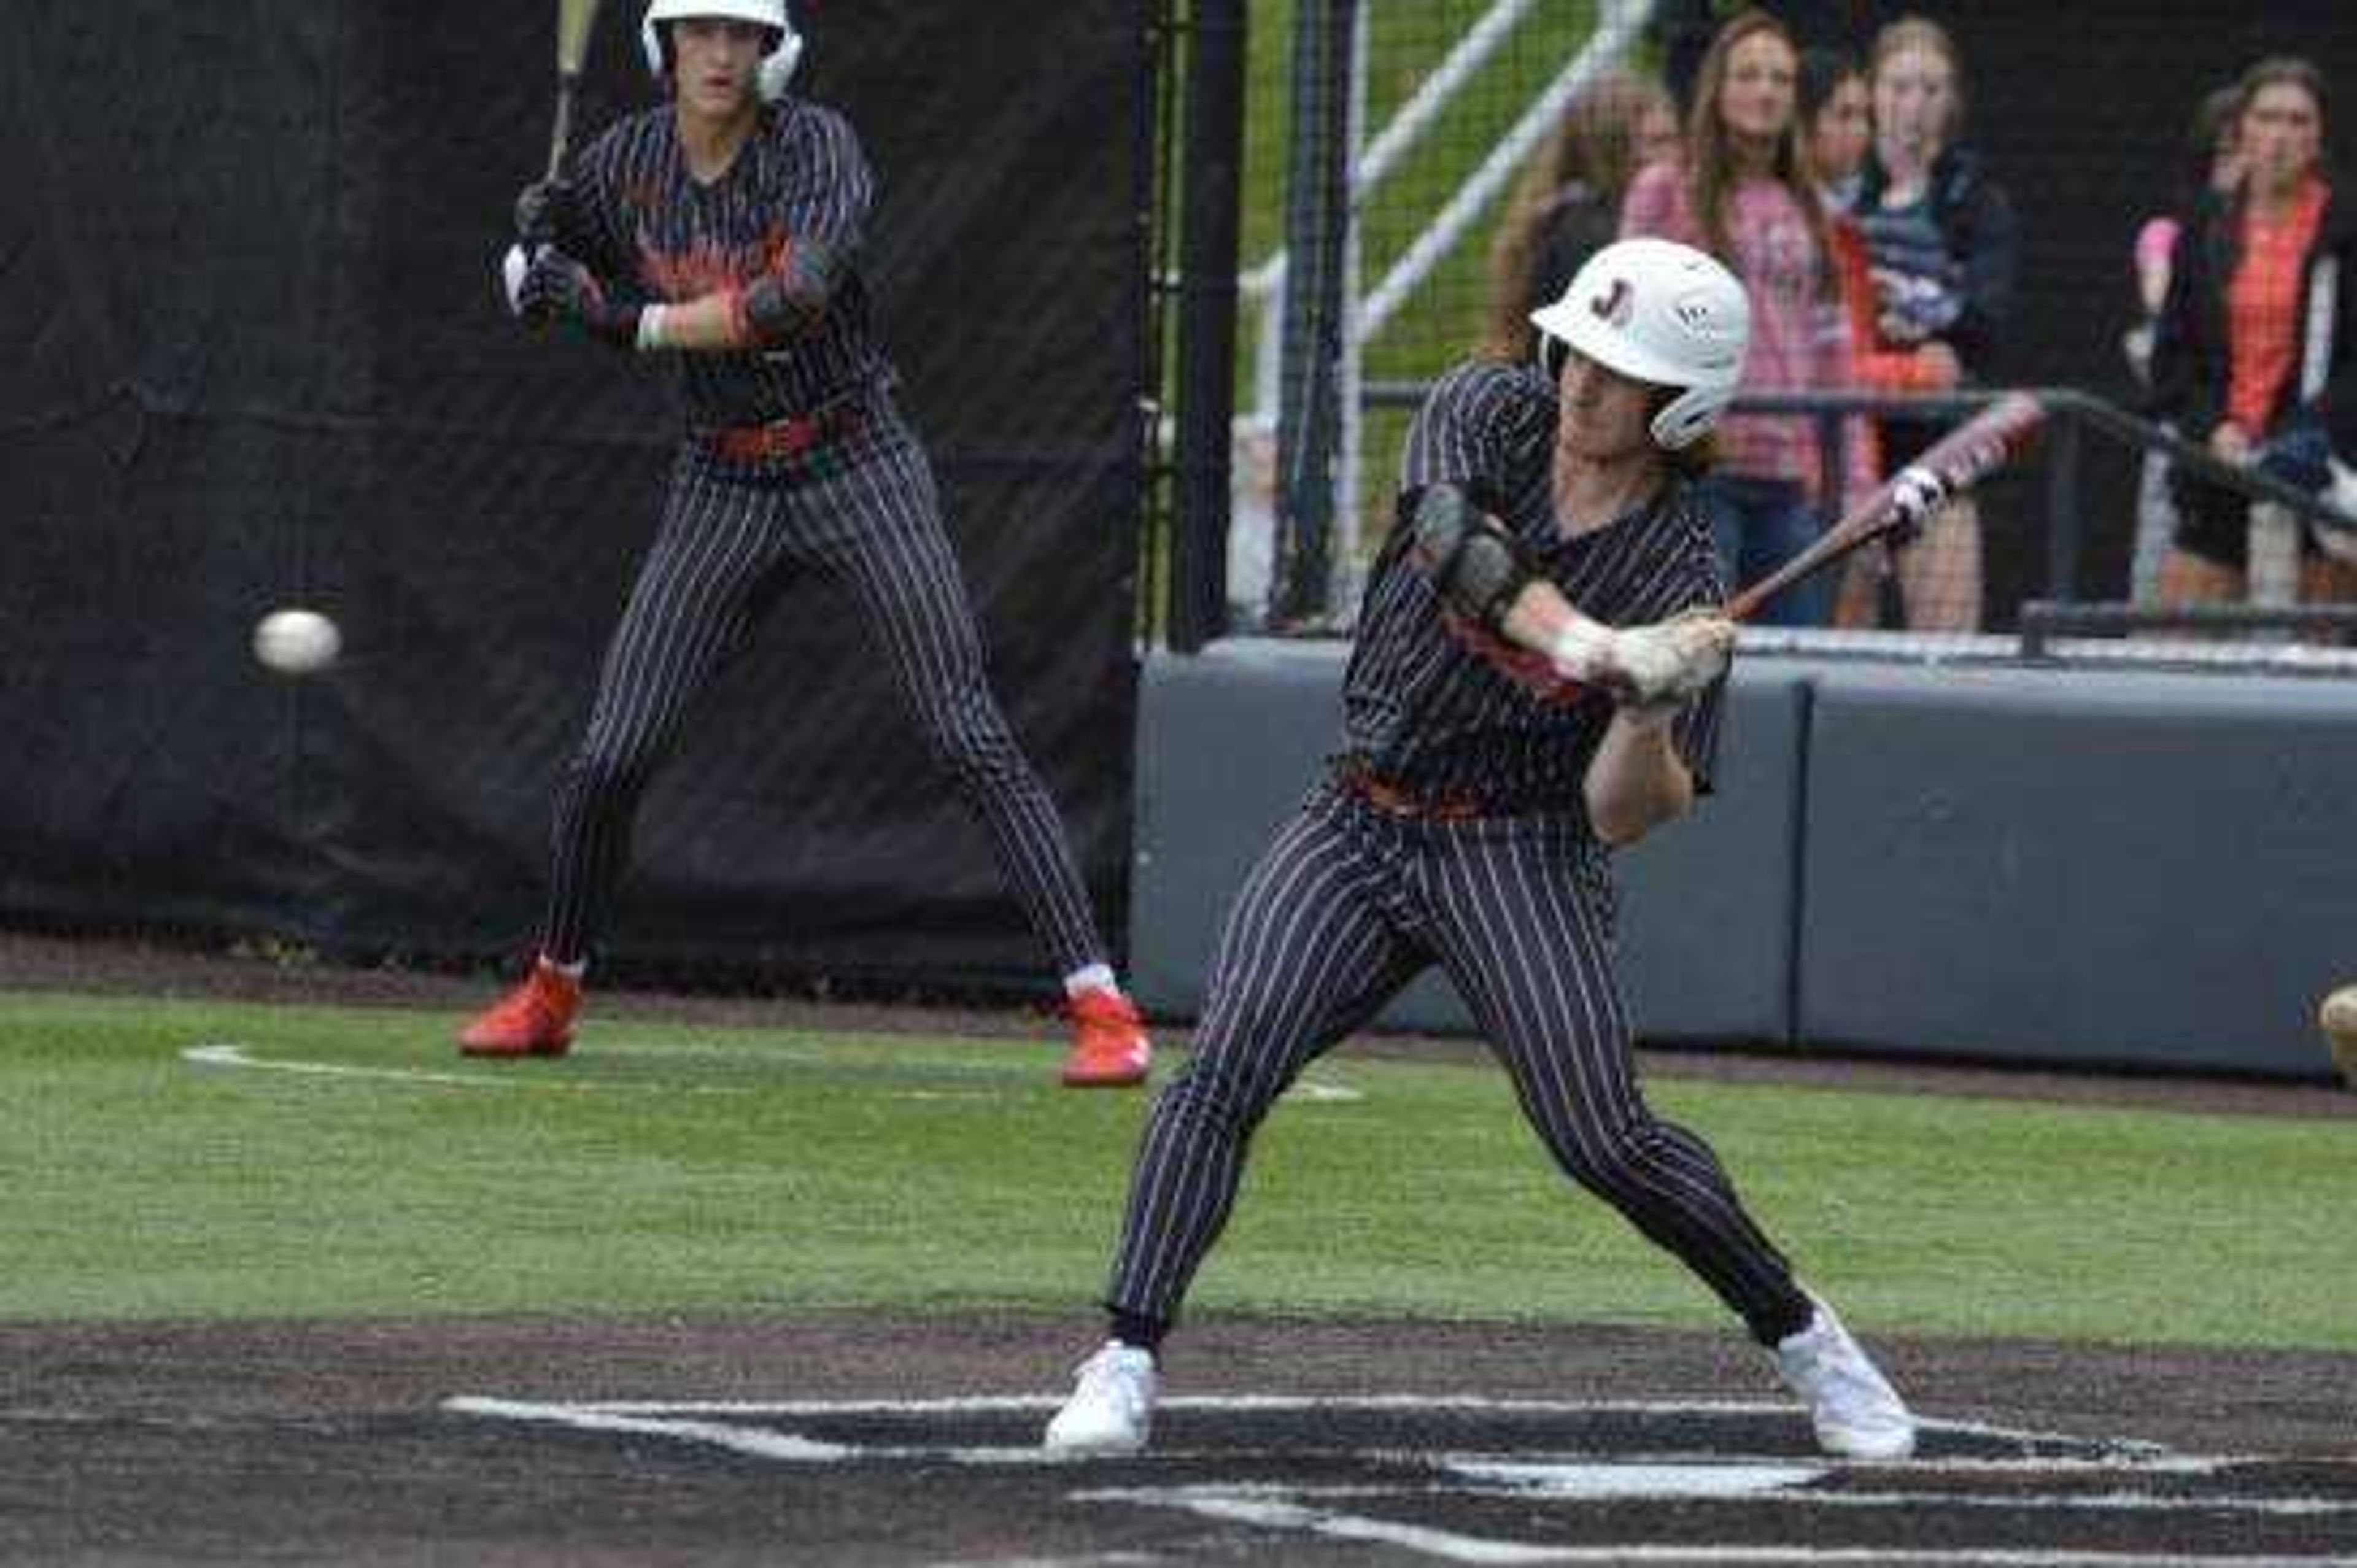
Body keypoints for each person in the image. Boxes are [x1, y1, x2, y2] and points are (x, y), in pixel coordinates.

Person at [1039, 238, 1917, 1464]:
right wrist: (1595, 649)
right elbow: (1453, 539)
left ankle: (1806, 1335)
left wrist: (1651, 702)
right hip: (1363, 815)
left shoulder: (1681, 571)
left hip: (1519, 848)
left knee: (1602, 1135)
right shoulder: (1485, 405)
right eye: (1584, 351)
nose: (1585, 383)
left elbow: (1624, 811)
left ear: (1685, 406)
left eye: (1625, 369)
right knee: (1224, 1066)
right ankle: (1123, 1353)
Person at [462, 0, 1152, 1089]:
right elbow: (551, 277)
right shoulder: (619, 165)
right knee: (612, 754)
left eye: (744, 35)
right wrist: (537, 260)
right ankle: (552, 988)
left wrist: (613, 317)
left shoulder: (817, 149)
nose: (722, 55)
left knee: (964, 730)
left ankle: (1102, 1005)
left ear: (774, 53)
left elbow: (790, 299)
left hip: (855, 460)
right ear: (666, 47)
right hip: (722, 477)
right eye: (701, 33)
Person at [1621, 9, 1874, 628]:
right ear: (1718, 87)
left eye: (1780, 79)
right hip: (1697, 476)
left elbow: (1833, 353)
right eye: (1749, 75)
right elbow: (1620, 328)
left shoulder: (1810, 205)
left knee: (1797, 657)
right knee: (1691, 666)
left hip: (1790, 484)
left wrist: (1859, 484)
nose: (1765, 91)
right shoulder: (1666, 189)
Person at [2149, 56, 2357, 609]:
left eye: (2298, 121)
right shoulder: (2203, 229)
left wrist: (2304, 433)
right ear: (2242, 129)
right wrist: (2214, 428)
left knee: (2322, 660)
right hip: (2219, 471)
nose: (2281, 137)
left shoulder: (2347, 228)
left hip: (2320, 476)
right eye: (2268, 118)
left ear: (2319, 136)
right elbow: (2170, 363)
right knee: (2173, 649)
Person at [1852, 15, 2018, 631]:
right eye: (1898, 87)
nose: (1913, 106)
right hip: (1848, 446)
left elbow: (1984, 320)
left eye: (1930, 89)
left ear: (1951, 102)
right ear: (1872, 94)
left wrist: (1919, 327)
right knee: (1839, 635)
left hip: (1935, 449)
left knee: (1948, 639)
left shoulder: (1977, 200)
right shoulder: (1842, 192)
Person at [1797, 45, 1962, 628]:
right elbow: (1814, 370)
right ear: (1802, 126)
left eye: (1863, 117)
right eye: (1843, 117)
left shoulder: (1841, 227)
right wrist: (1920, 373)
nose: (1862, 133)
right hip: (1801, 483)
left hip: (1852, 479)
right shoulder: (1796, 227)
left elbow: (1844, 355)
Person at [2124, 85, 2244, 604]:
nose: (2239, 165)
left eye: (2247, 149)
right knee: (2159, 597)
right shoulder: (2171, 235)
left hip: (2255, 441)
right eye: (2225, 153)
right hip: (2182, 437)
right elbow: (2161, 299)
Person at [1484, 69, 1681, 362]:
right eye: (1658, 142)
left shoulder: (1567, 219)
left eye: (1676, 139)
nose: (1677, 156)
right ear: (1614, 151)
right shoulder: (1583, 237)